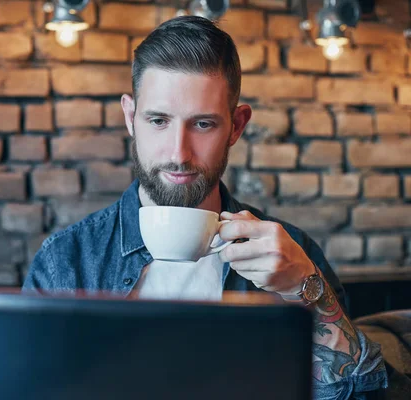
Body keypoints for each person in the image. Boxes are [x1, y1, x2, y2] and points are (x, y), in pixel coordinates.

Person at [23, 16, 388, 399]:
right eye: (159, 120)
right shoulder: (66, 260)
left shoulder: (292, 254)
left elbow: (359, 396)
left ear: (236, 126)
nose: (178, 154)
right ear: (131, 117)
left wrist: (305, 288)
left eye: (202, 124)